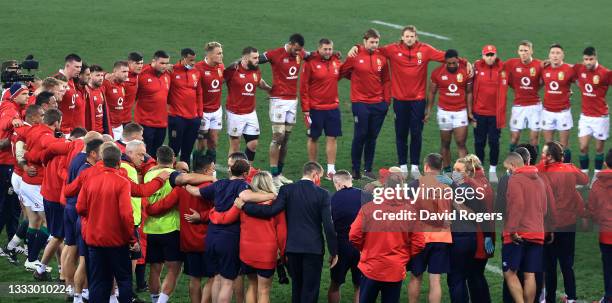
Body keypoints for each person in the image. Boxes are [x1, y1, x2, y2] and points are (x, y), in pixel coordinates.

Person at [347, 25, 472, 179]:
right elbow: (373, 48)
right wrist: (357, 47)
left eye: (412, 36)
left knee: (416, 133)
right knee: (401, 134)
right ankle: (403, 166)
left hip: (418, 101)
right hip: (400, 100)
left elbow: (444, 56)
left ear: (416, 37)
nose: (409, 39)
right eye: (407, 36)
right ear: (402, 37)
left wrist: (465, 62)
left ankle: (414, 166)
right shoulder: (392, 49)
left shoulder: (425, 50)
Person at [238, 161, 338, 303]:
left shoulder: (287, 190)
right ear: (315, 174)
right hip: (313, 249)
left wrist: (245, 207)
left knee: (297, 287)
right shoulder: (323, 194)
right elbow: (328, 226)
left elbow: (270, 211)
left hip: (292, 247)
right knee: (310, 289)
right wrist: (334, 252)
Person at [184, 157, 275, 303]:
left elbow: (196, 192)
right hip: (228, 238)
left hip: (211, 236)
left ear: (230, 170)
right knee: (227, 282)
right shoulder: (242, 186)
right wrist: (272, 195)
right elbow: (246, 196)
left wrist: (184, 183)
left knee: (217, 279)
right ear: (246, 174)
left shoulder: (219, 183)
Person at [145, 155, 215, 303]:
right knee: (214, 277)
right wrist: (202, 216)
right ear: (207, 170)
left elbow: (162, 205)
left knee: (194, 279)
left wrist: (148, 209)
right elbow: (219, 212)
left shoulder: (181, 189)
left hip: (188, 241)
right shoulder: (212, 187)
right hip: (208, 241)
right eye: (213, 169)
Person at [208, 171, 286, 303]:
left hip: (247, 252)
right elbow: (282, 232)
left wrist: (211, 213)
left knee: (252, 286)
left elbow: (227, 218)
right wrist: (283, 254)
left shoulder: (242, 204)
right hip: (266, 253)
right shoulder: (276, 205)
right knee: (264, 290)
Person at [350, 171, 425, 303]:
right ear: (402, 187)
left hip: (371, 266)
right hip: (394, 268)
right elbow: (419, 242)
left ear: (385, 186)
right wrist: (404, 256)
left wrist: (366, 249)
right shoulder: (411, 212)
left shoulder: (368, 209)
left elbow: (354, 235)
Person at [76, 145, 135, 303]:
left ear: (102, 160)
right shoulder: (122, 183)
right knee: (123, 280)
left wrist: (94, 217)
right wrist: (132, 239)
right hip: (117, 241)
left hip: (94, 240)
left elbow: (80, 207)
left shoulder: (90, 180)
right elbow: (126, 214)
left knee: (98, 281)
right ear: (119, 163)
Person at [536, 141, 588, 302]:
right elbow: (585, 180)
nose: (542, 156)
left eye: (544, 154)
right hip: (569, 224)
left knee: (549, 267)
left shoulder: (543, 172)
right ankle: (571, 298)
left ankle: (549, 299)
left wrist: (544, 163)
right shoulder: (569, 169)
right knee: (567, 265)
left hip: (550, 227)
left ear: (550, 157)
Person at [339, 29, 390, 180]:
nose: (374, 45)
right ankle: (355, 169)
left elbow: (386, 80)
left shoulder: (382, 57)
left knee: (372, 137)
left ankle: (368, 168)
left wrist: (386, 102)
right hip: (360, 103)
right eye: (371, 42)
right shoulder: (355, 55)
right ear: (364, 41)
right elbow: (343, 72)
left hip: (379, 104)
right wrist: (355, 78)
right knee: (360, 135)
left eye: (376, 42)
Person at [502, 152, 552, 303]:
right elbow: (544, 209)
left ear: (513, 165)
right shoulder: (540, 180)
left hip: (519, 233)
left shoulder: (515, 179)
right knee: (530, 274)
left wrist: (512, 230)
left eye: (508, 168)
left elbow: (517, 205)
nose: (508, 171)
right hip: (537, 233)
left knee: (510, 273)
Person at [259, 33, 306, 186]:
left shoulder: (300, 54)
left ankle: (279, 173)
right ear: (291, 44)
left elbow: (314, 55)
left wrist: (334, 54)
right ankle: (273, 176)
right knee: (277, 137)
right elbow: (255, 59)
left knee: (285, 140)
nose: (298, 53)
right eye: (296, 49)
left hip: (292, 101)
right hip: (278, 100)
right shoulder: (275, 54)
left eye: (300, 50)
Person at [406, 153, 452, 303]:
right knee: (435, 280)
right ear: (441, 167)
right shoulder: (447, 186)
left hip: (419, 238)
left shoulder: (415, 185)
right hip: (441, 238)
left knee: (415, 277)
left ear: (426, 167)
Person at [300, 39, 342, 179]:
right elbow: (303, 87)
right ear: (319, 49)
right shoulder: (310, 62)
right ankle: (313, 168)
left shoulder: (336, 61)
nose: (328, 52)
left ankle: (331, 169)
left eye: (330, 49)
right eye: (325, 49)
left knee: (332, 137)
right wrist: (305, 109)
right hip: (315, 108)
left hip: (333, 107)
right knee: (313, 137)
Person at [428, 49, 473, 173]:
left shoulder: (465, 72)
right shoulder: (437, 72)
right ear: (445, 62)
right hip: (444, 113)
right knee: (445, 143)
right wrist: (428, 110)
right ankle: (447, 171)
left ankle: (464, 173)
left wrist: (469, 112)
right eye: (449, 63)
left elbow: (469, 92)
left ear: (458, 60)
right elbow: (432, 92)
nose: (452, 66)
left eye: (454, 63)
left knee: (461, 143)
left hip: (460, 112)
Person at [224, 46, 271, 162]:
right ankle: (232, 174)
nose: (257, 60)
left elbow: (259, 81)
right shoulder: (233, 70)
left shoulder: (255, 69)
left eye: (257, 57)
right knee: (235, 146)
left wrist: (269, 89)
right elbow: (219, 80)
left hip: (250, 112)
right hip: (235, 113)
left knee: (253, 144)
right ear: (245, 58)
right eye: (254, 58)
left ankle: (247, 170)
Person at [447, 157, 485, 303]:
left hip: (461, 239)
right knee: (462, 278)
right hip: (469, 239)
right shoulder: (464, 188)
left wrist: (455, 204)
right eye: (453, 170)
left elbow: (475, 216)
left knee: (456, 279)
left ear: (468, 172)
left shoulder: (468, 189)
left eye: (458, 170)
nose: (454, 173)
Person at [471, 45, 508, 183]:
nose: (490, 57)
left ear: (496, 55)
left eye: (492, 54)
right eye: (487, 55)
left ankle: (492, 169)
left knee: (494, 142)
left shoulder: (503, 68)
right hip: (479, 112)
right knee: (479, 142)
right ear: (482, 56)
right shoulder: (476, 67)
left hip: (495, 114)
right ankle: (479, 170)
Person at [327, 170, 365, 303]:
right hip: (362, 247)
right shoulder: (365, 196)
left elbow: (329, 227)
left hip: (341, 246)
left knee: (335, 285)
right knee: (360, 286)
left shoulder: (332, 199)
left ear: (337, 183)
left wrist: (333, 252)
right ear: (350, 181)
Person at [573, 47, 609, 185]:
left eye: (591, 59)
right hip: (585, 117)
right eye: (586, 59)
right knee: (583, 147)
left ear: (595, 58)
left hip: (600, 117)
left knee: (599, 148)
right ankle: (584, 177)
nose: (588, 62)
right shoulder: (579, 69)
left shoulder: (604, 73)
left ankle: (597, 177)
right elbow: (566, 67)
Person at [462, 154, 494, 303]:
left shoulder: (472, 185)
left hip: (479, 234)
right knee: (478, 274)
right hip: (488, 232)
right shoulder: (485, 181)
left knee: (473, 275)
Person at [504, 41, 544, 152]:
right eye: (521, 51)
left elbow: (550, 76)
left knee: (534, 139)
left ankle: (532, 166)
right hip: (518, 106)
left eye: (526, 51)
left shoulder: (539, 65)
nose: (523, 53)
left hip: (535, 106)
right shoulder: (511, 63)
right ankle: (512, 164)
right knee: (514, 138)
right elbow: (497, 67)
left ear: (531, 51)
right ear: (518, 52)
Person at [541, 44, 576, 163]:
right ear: (549, 55)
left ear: (563, 55)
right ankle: (549, 172)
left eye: (558, 53)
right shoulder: (543, 68)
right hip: (547, 112)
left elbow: (582, 78)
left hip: (563, 113)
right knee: (548, 145)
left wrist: (569, 91)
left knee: (563, 146)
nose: (555, 55)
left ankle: (566, 171)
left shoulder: (569, 69)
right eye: (552, 53)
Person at [586, 148, 612, 303]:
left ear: (604, 163)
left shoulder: (597, 184)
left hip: (606, 234)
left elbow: (592, 210)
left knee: (608, 268)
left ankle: (608, 297)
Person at [168, 48, 203, 164]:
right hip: (177, 117)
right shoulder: (172, 71)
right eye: (190, 60)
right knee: (173, 149)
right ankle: (169, 174)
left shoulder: (196, 72)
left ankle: (185, 175)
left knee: (187, 150)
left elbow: (199, 93)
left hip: (193, 118)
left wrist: (199, 114)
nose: (193, 63)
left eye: (194, 60)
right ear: (183, 59)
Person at [134, 50, 171, 157]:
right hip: (145, 123)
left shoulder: (167, 75)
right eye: (162, 63)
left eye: (167, 63)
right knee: (143, 155)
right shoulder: (142, 74)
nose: (165, 66)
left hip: (162, 124)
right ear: (153, 61)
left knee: (155, 155)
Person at [194, 42, 224, 163]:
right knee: (201, 145)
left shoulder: (221, 67)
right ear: (210, 55)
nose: (222, 56)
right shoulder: (198, 68)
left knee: (214, 142)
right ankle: (196, 168)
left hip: (216, 110)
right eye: (219, 53)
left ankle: (211, 169)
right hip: (203, 112)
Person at [53, 54, 85, 135]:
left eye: (80, 67)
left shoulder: (71, 80)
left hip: (73, 131)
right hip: (63, 132)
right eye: (76, 67)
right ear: (67, 65)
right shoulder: (56, 80)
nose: (79, 70)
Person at [102, 61, 130, 139]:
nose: (126, 74)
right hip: (110, 127)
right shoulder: (106, 84)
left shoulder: (122, 85)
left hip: (119, 126)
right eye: (123, 71)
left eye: (127, 72)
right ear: (114, 71)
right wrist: (105, 75)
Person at [85, 65, 111, 136]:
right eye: (97, 75)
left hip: (102, 132)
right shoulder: (85, 91)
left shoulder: (101, 89)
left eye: (102, 75)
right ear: (90, 76)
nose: (101, 78)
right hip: (90, 133)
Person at [123, 52, 144, 125]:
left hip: (127, 119)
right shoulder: (122, 76)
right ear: (129, 63)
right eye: (137, 64)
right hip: (116, 120)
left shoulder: (138, 75)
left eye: (141, 63)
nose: (140, 66)